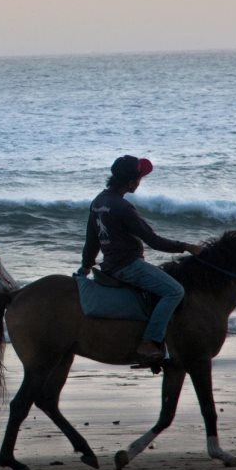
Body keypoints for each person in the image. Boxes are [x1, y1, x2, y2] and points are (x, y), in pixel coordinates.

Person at [79, 155, 203, 366]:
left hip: (109, 265)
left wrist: (86, 265)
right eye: (139, 179)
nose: (139, 183)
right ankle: (149, 342)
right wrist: (187, 247)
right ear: (130, 182)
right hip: (128, 266)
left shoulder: (98, 201)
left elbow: (92, 240)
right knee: (174, 291)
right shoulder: (123, 208)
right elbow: (154, 241)